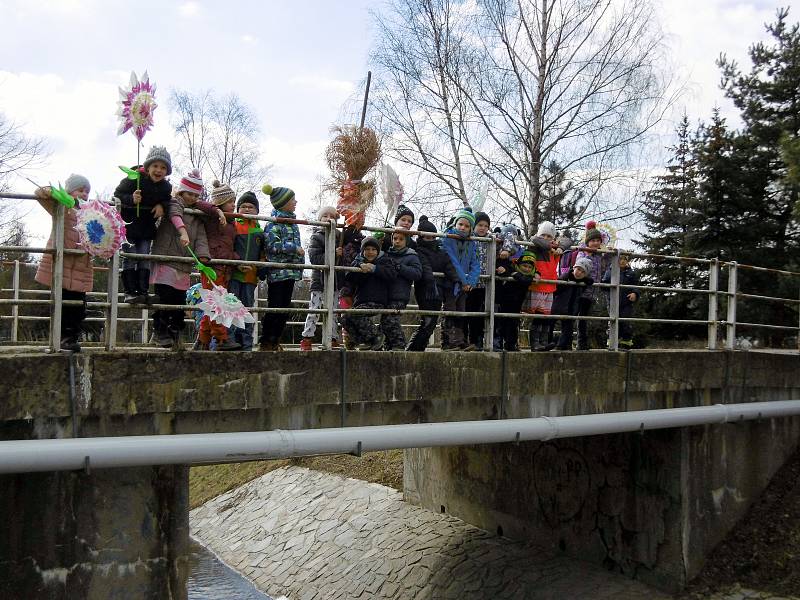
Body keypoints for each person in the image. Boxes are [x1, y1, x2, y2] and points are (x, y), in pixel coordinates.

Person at [149, 169, 213, 349]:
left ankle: (175, 332)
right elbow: (175, 214)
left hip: (183, 263)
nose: (192, 198)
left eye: (195, 195)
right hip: (167, 257)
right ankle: (161, 331)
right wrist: (183, 231)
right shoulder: (175, 203)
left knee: (178, 299)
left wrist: (203, 255)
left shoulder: (197, 214)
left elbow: (201, 237)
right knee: (164, 297)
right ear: (181, 192)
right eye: (189, 194)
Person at [34, 175, 93, 352]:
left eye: (87, 192)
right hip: (62, 264)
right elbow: (39, 193)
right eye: (80, 190)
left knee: (79, 306)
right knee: (62, 302)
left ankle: (72, 337)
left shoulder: (90, 214)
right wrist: (51, 191)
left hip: (81, 266)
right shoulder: (62, 207)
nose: (84, 194)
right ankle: (61, 338)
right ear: (69, 191)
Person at [114, 145, 172, 304]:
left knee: (145, 258)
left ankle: (143, 292)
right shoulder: (134, 179)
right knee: (131, 258)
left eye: (163, 167)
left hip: (146, 229)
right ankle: (130, 292)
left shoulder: (166, 187)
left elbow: (168, 200)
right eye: (155, 166)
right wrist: (131, 199)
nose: (158, 170)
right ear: (147, 167)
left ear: (167, 171)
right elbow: (117, 195)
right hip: (129, 226)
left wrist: (162, 206)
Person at [196, 180, 241, 351]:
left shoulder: (231, 222)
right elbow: (198, 203)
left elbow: (229, 246)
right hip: (211, 265)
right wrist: (216, 211)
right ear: (221, 203)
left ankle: (203, 339)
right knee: (216, 303)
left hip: (225, 266)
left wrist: (236, 260)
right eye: (230, 201)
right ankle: (221, 338)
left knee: (214, 303)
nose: (233, 205)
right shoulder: (211, 217)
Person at [259, 184, 304, 351]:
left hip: (291, 271)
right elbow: (272, 245)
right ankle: (266, 340)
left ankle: (275, 339)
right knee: (275, 306)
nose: (295, 202)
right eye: (292, 199)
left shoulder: (293, 223)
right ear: (283, 202)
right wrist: (293, 248)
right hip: (278, 272)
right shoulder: (274, 223)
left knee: (284, 307)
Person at [406, 216, 458, 351]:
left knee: (432, 322)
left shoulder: (441, 252)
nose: (430, 240)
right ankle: (414, 348)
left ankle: (417, 348)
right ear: (421, 238)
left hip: (438, 291)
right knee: (428, 321)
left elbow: (448, 266)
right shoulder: (420, 251)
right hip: (426, 291)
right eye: (427, 238)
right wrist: (430, 280)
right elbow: (425, 267)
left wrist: (457, 279)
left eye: (432, 237)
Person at [343, 237, 396, 350]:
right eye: (367, 249)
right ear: (362, 251)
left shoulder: (384, 261)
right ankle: (365, 340)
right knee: (344, 318)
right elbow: (349, 276)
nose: (370, 252)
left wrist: (375, 269)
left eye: (373, 249)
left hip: (377, 300)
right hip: (361, 301)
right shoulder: (358, 262)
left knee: (354, 314)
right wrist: (360, 267)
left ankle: (376, 335)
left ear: (378, 251)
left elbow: (392, 275)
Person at [229, 191, 266, 351]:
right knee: (231, 306)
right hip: (233, 275)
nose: (247, 209)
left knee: (247, 309)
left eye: (251, 206)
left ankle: (246, 343)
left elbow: (263, 253)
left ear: (257, 210)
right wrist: (236, 263)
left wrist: (262, 268)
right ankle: (229, 340)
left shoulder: (259, 230)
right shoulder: (233, 226)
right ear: (238, 209)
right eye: (243, 206)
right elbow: (229, 247)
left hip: (251, 277)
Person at [301, 206, 342, 351]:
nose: (329, 218)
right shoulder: (316, 236)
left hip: (335, 281)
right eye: (325, 216)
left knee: (334, 311)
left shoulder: (339, 237)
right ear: (319, 220)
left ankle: (332, 338)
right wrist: (332, 253)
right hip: (319, 280)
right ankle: (307, 338)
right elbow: (314, 258)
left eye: (332, 216)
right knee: (315, 309)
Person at [442, 207, 480, 351]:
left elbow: (476, 264)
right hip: (451, 282)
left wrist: (470, 282)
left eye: (466, 226)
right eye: (460, 224)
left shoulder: (472, 242)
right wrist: (464, 281)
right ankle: (447, 342)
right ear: (455, 224)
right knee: (450, 310)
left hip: (465, 285)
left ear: (470, 228)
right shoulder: (448, 238)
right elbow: (452, 261)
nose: (463, 228)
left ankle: (458, 340)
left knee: (461, 312)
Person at [525, 221, 562, 351]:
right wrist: (550, 246)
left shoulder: (555, 250)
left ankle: (544, 342)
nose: (546, 239)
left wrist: (559, 248)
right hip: (538, 286)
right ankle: (535, 344)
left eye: (549, 236)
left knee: (546, 317)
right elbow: (534, 239)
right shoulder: (535, 246)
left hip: (550, 287)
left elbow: (567, 241)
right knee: (538, 316)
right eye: (544, 235)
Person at [384, 230, 422, 350]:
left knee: (390, 319)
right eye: (395, 239)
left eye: (401, 239)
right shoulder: (387, 254)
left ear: (407, 241)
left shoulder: (411, 256)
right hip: (386, 294)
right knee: (386, 321)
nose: (397, 241)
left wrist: (400, 267)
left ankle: (400, 345)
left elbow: (417, 274)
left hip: (400, 295)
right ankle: (388, 345)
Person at [493, 251, 537, 351]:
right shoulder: (511, 269)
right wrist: (511, 273)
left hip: (516, 306)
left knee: (513, 324)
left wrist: (515, 274)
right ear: (518, 265)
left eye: (530, 267)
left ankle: (511, 344)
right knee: (501, 323)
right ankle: (498, 344)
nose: (527, 269)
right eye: (524, 266)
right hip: (504, 303)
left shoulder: (529, 276)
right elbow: (504, 270)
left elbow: (525, 280)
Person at [574, 221, 605, 350]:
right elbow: (579, 265)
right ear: (588, 242)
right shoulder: (583, 251)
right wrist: (589, 254)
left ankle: (582, 342)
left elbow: (606, 265)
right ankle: (580, 342)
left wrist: (613, 252)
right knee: (580, 316)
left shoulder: (599, 255)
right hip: (582, 289)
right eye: (593, 241)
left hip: (592, 291)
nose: (596, 243)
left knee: (585, 317)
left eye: (598, 240)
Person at [554, 256, 595, 350]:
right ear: (574, 267)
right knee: (551, 324)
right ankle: (548, 343)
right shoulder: (566, 276)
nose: (579, 273)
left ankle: (561, 346)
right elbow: (556, 289)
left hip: (571, 308)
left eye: (583, 272)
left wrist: (588, 280)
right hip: (559, 305)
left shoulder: (582, 280)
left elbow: (588, 282)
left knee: (568, 328)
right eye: (578, 269)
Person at [601, 252, 640, 350]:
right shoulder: (610, 271)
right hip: (612, 301)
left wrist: (635, 294)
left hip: (626, 302)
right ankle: (612, 342)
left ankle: (626, 343)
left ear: (627, 261)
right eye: (620, 259)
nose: (622, 261)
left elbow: (636, 286)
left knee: (625, 322)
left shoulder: (631, 273)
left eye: (624, 259)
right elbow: (604, 284)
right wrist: (605, 286)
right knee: (612, 321)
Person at [464, 211, 491, 349]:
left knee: (481, 315)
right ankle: (469, 341)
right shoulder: (469, 238)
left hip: (485, 285)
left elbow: (509, 236)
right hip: (470, 283)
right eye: (480, 225)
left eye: (486, 226)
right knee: (469, 312)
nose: (483, 228)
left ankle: (478, 341)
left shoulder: (491, 239)